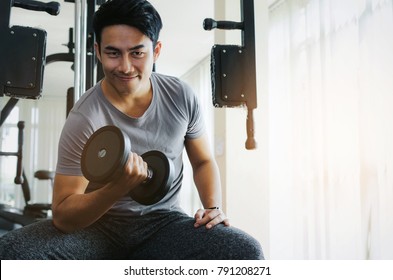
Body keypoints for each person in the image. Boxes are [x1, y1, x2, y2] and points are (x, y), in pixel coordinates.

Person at [0, 0, 263, 260]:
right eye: (113, 53)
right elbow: (64, 216)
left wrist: (213, 208)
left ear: (156, 51)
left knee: (243, 251)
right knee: (10, 253)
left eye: (137, 53)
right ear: (98, 51)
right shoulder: (84, 117)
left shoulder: (181, 96)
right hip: (97, 228)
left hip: (164, 224)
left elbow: (204, 160)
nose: (125, 67)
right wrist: (117, 188)